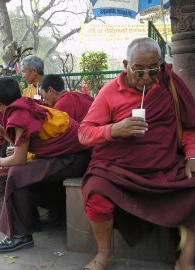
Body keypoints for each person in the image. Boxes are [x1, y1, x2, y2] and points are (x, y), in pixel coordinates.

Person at [78, 37, 195, 270]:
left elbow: (190, 127)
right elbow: (84, 133)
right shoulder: (109, 92)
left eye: (153, 70)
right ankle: (104, 254)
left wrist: (191, 156)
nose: (146, 78)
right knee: (96, 192)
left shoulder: (169, 85)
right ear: (125, 64)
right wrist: (115, 129)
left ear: (161, 65)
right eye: (138, 70)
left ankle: (187, 259)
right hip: (117, 168)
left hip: (164, 165)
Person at [0, 76, 91, 253]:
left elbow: (19, 158)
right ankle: (29, 225)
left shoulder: (18, 114)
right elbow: (26, 141)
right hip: (74, 153)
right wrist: (3, 132)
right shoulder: (25, 103)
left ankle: (20, 236)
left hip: (74, 157)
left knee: (17, 174)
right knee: (23, 174)